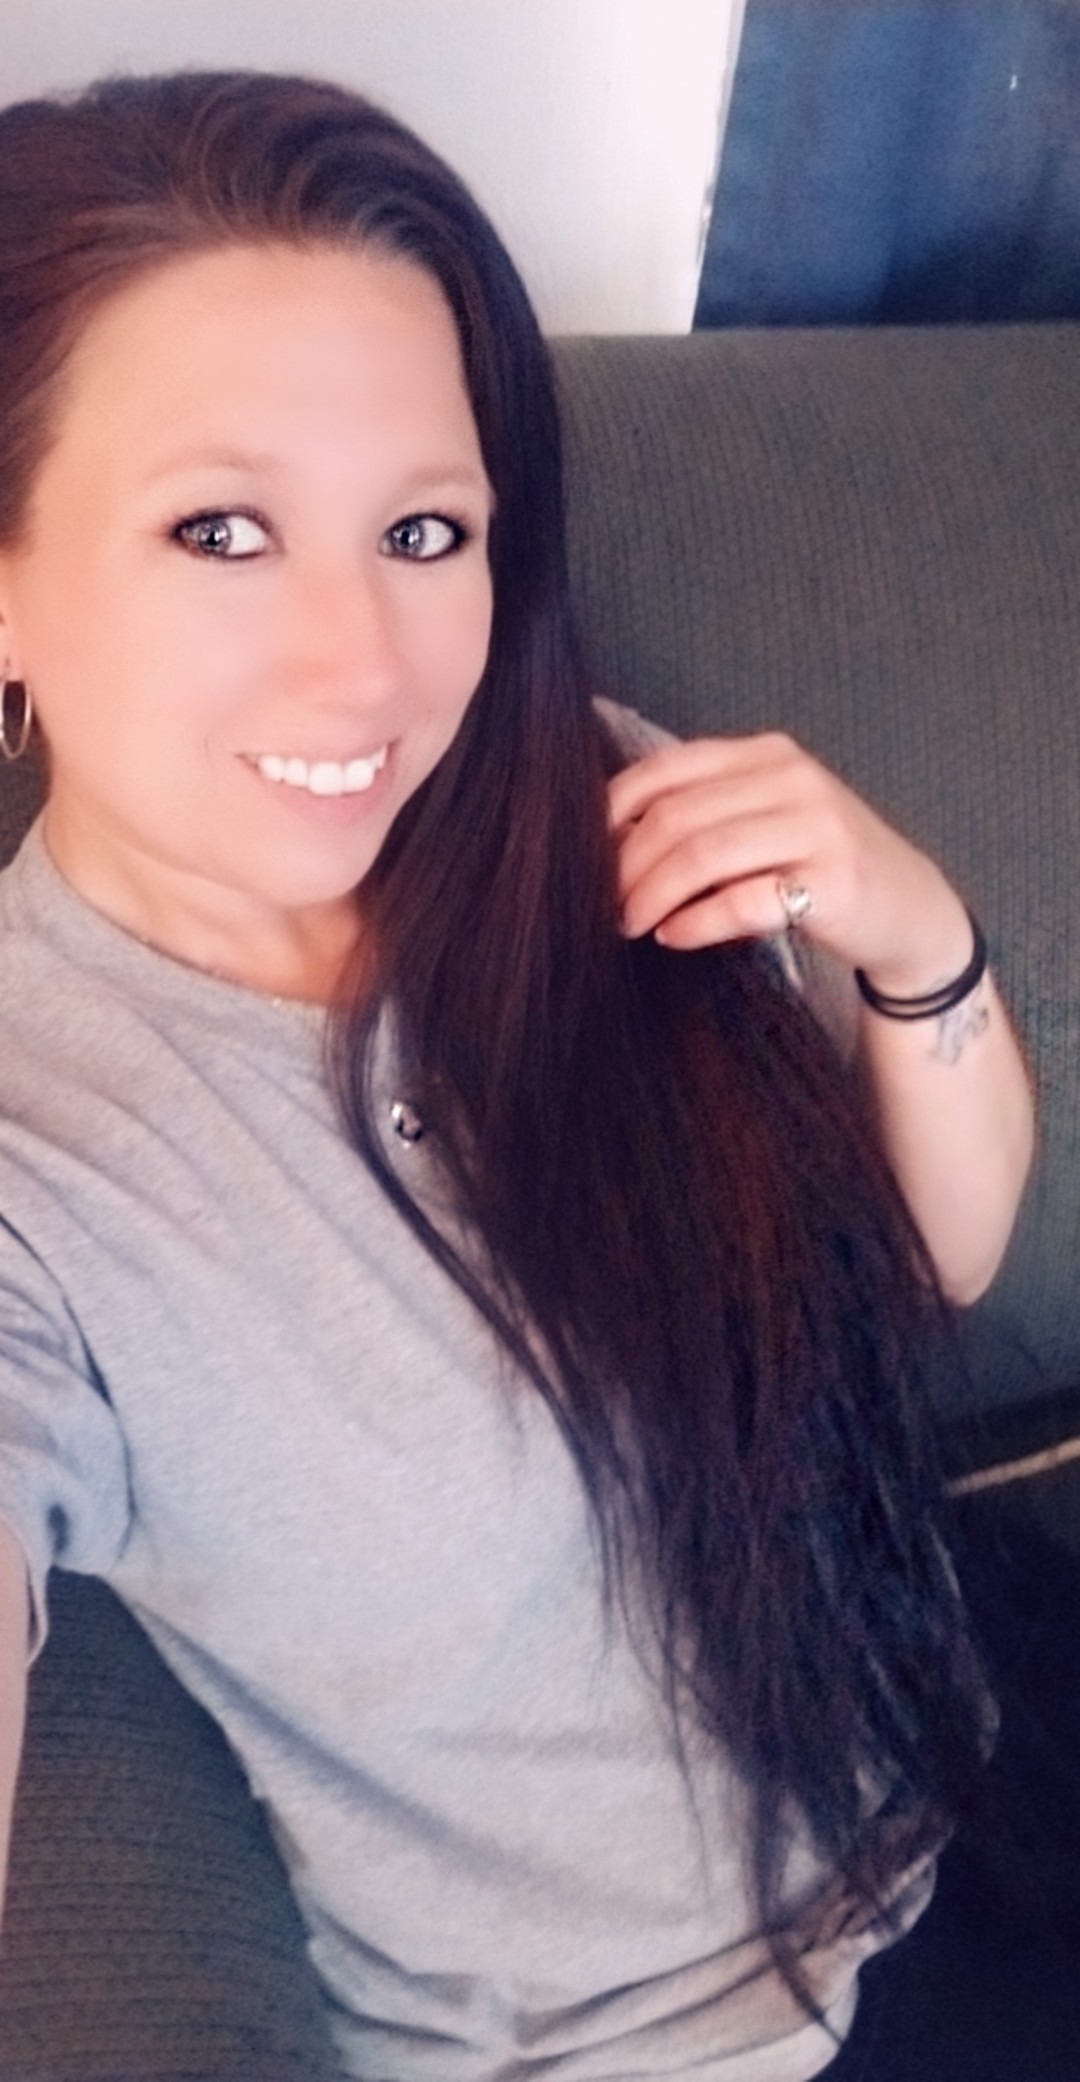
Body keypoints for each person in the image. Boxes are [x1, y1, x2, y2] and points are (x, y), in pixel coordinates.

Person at [0, 70, 1033, 2082]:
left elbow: (937, 1265)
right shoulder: (40, 1151)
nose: (361, 662)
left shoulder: (597, 806)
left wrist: (914, 933)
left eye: (424, 530)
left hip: (964, 1783)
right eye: (219, 529)